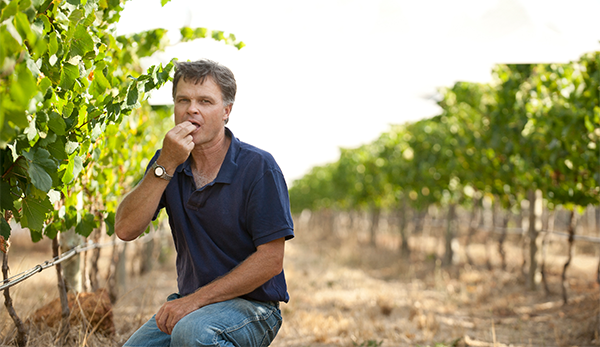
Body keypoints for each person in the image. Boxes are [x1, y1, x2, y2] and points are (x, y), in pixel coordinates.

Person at [114, 59, 294, 347]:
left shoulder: (259, 167)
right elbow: (125, 228)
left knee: (193, 333)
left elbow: (271, 260)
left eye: (205, 101)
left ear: (226, 111)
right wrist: (165, 165)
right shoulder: (167, 162)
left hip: (254, 308)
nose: (191, 109)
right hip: (194, 306)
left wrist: (193, 302)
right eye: (182, 100)